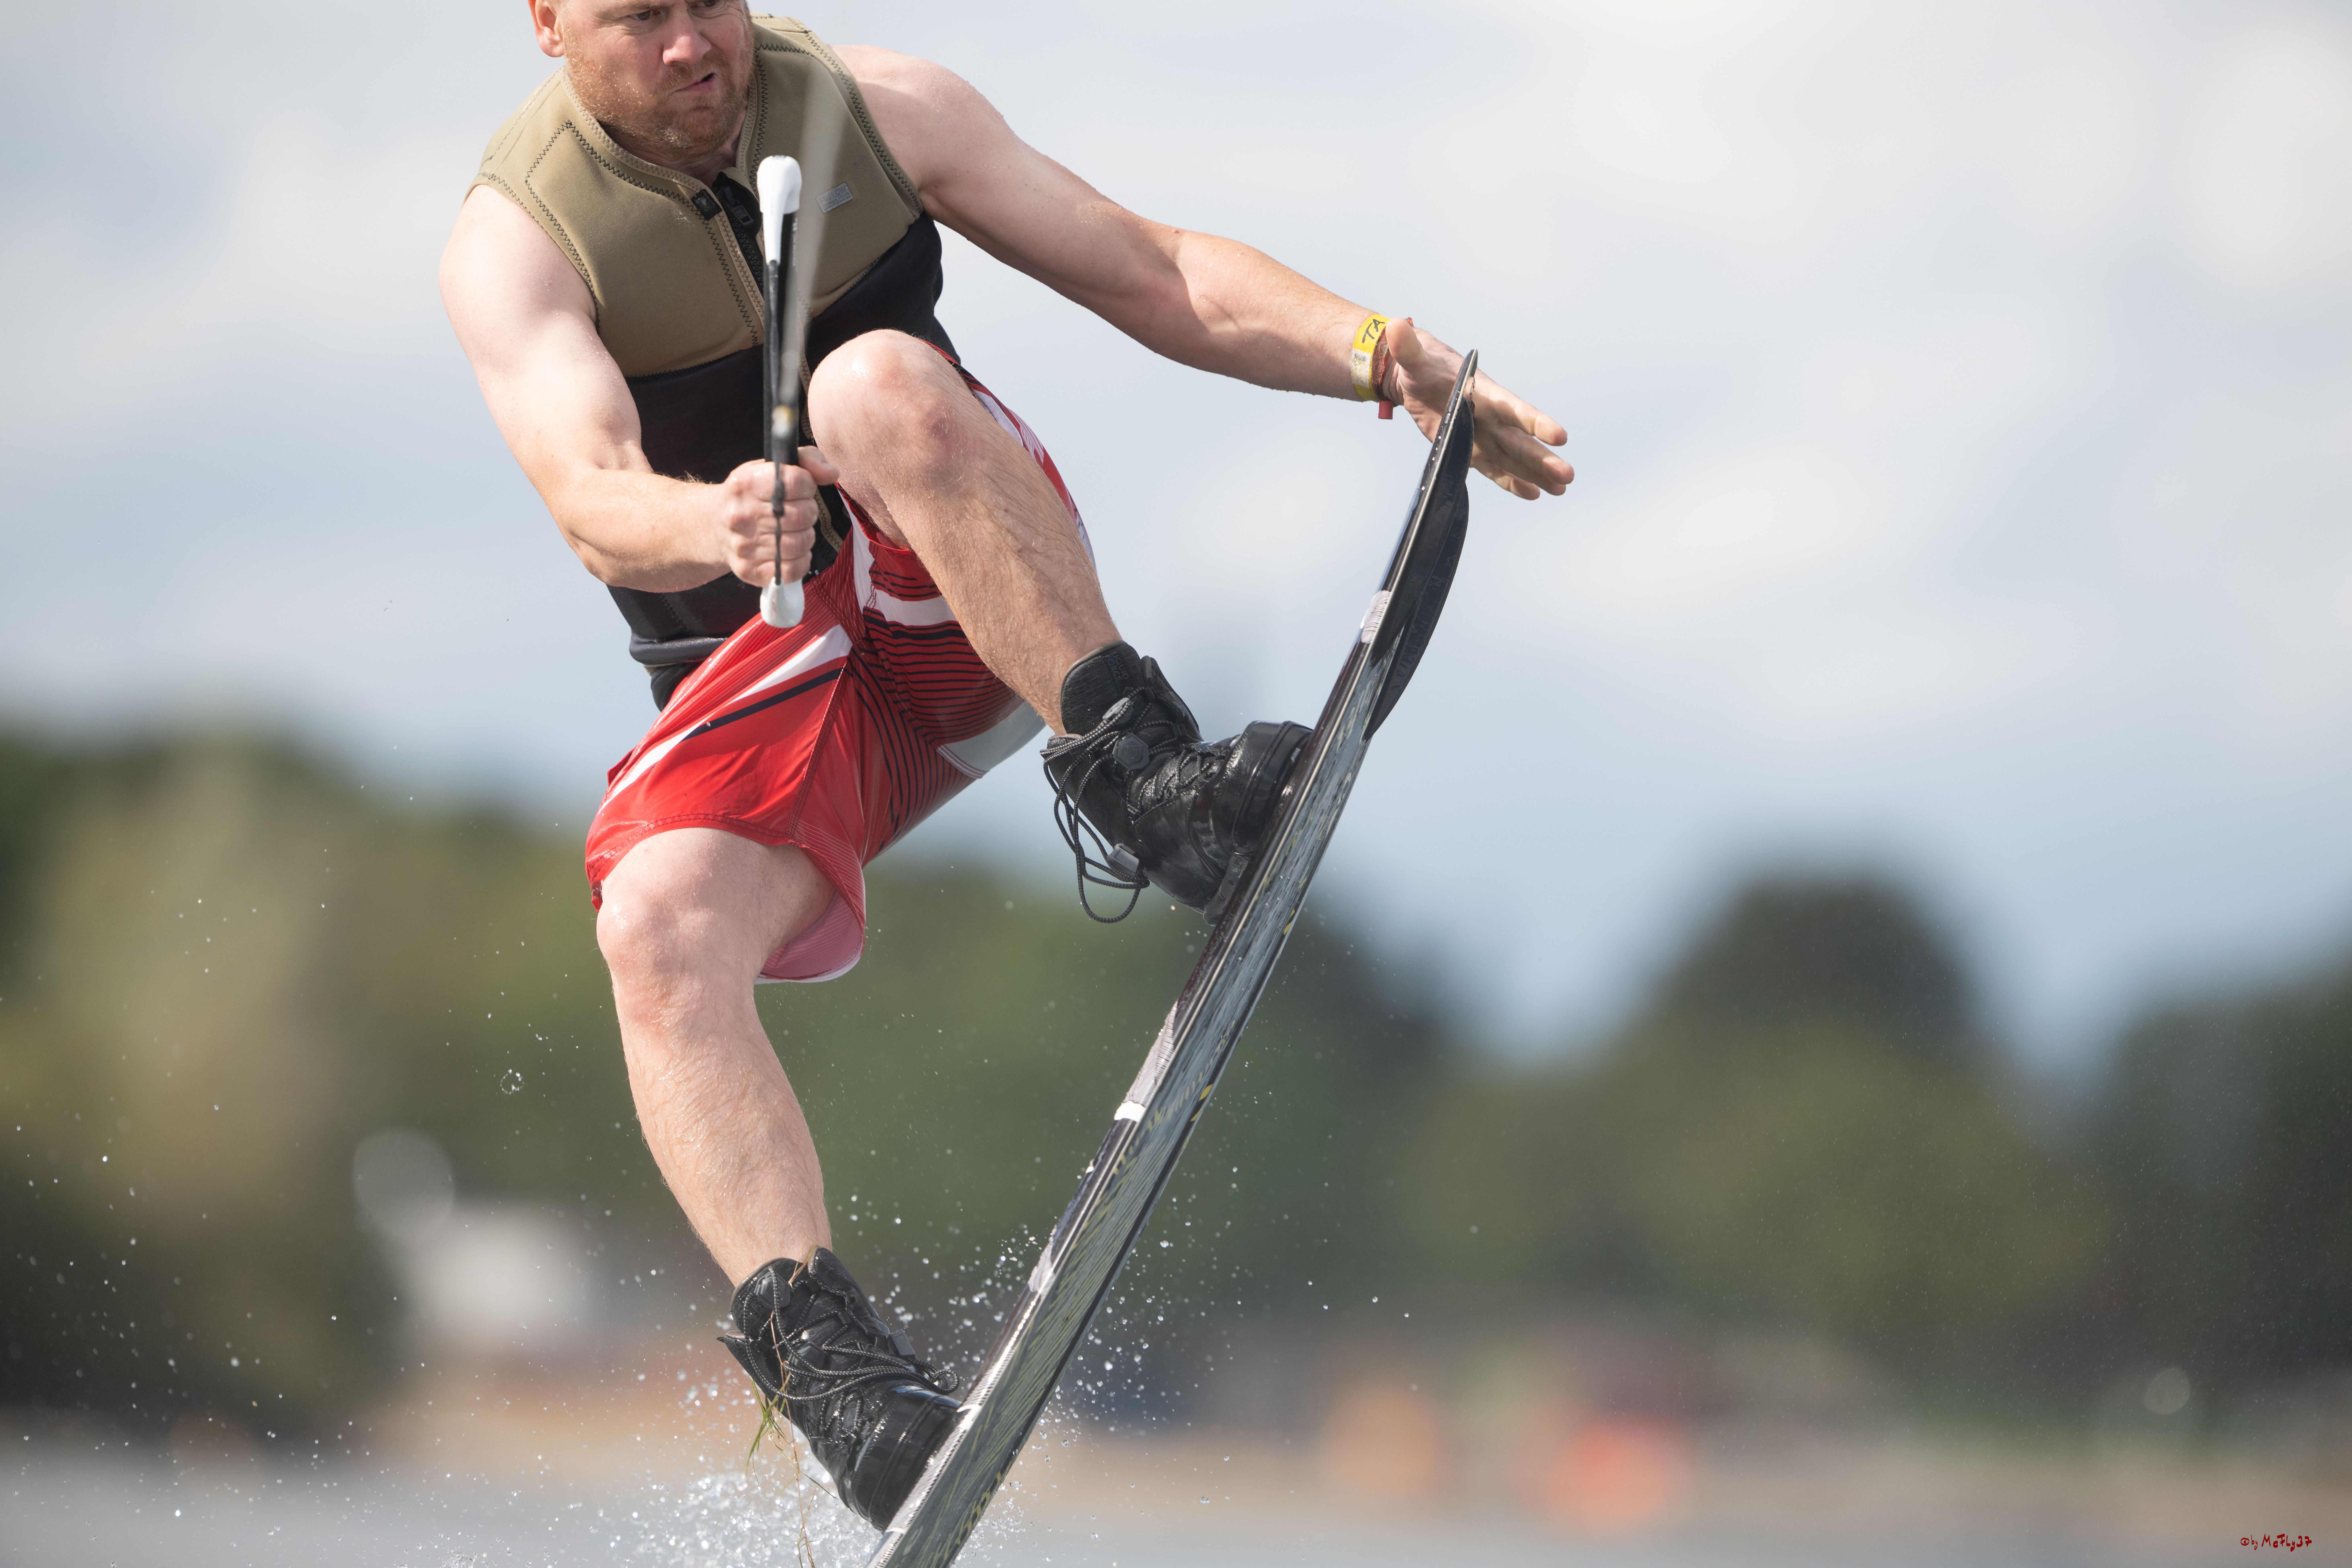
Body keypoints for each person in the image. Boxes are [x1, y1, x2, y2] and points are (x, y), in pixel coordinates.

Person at [440, 0, 1571, 1529]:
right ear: (551, 24)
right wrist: (711, 523)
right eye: (644, 18)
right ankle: (840, 1380)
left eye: (712, 2)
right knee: (653, 926)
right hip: (786, 694)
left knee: (868, 387)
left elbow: (1153, 269)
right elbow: (588, 492)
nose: (697, 46)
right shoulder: (519, 248)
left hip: (964, 614)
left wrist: (1384, 355)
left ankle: (1143, 781)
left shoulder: (884, 109)